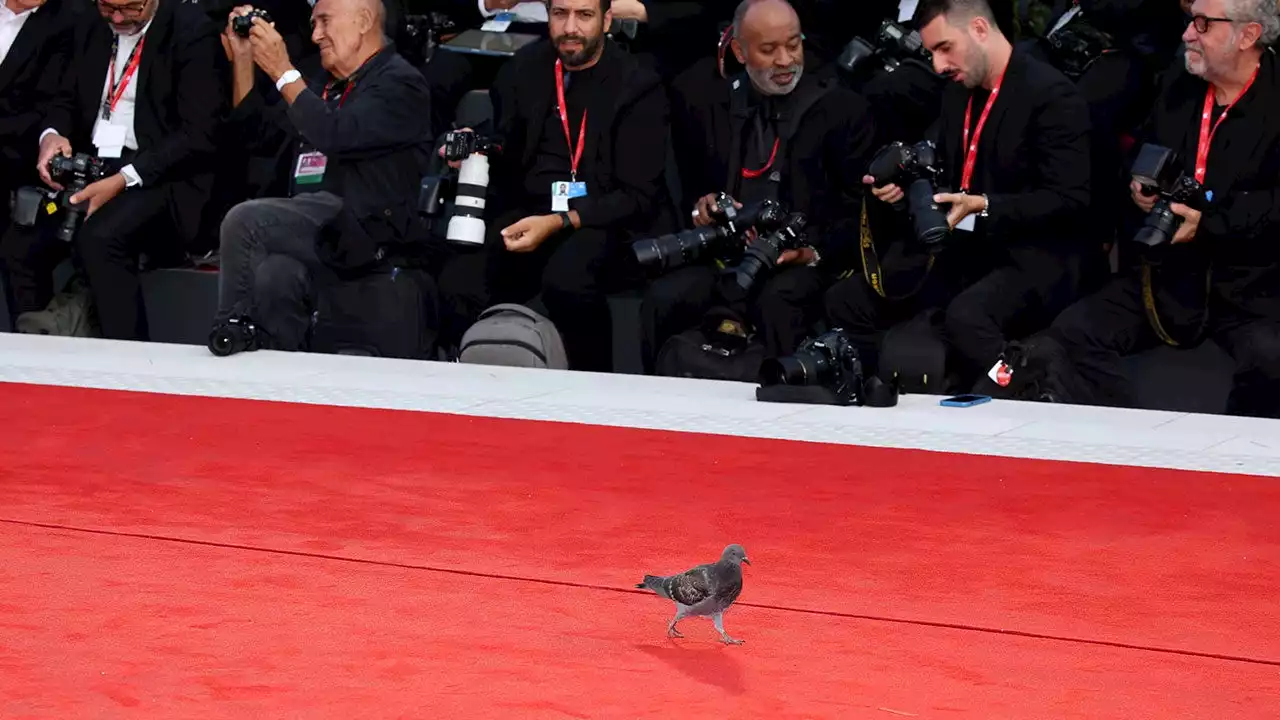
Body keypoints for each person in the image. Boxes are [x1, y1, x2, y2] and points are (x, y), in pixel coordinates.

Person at [823, 0, 1092, 393]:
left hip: (1032, 256)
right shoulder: (957, 91)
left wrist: (985, 207)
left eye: (945, 48)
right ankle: (878, 394)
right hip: (960, 245)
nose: (937, 65)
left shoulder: (1052, 96)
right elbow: (945, 172)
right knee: (847, 299)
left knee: (967, 317)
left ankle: (1029, 391)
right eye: (932, 52)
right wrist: (904, 192)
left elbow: (1070, 201)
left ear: (980, 29)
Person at [1031, 0, 1280, 418]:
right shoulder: (1178, 85)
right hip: (1167, 276)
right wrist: (1140, 184)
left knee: (1271, 360)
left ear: (1248, 35)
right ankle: (1133, 444)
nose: (1186, 35)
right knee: (1073, 334)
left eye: (1202, 24)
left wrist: (1211, 222)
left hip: (1250, 286)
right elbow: (1146, 148)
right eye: (1188, 21)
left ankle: (1235, 464)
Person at [641, 0, 876, 373]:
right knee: (664, 297)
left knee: (777, 300)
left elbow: (858, 214)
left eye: (793, 45)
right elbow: (690, 189)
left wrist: (810, 252)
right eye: (768, 50)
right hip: (727, 255)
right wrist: (702, 208)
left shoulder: (841, 109)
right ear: (739, 50)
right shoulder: (708, 102)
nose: (785, 60)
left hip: (803, 260)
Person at [437, 0, 670, 371]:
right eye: (560, 14)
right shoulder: (525, 68)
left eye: (584, 15)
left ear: (607, 20)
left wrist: (560, 221)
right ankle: (471, 384)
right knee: (460, 279)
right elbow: (507, 144)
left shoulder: (638, 84)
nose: (570, 28)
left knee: (568, 281)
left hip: (603, 219)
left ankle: (591, 387)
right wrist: (477, 143)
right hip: (530, 209)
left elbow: (638, 196)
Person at [213, 0, 437, 352]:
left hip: (370, 225)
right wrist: (244, 60)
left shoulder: (401, 83)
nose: (316, 35)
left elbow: (336, 133)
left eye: (324, 21)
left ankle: (231, 331)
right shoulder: (322, 82)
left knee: (246, 222)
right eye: (313, 24)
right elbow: (256, 135)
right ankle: (276, 375)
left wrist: (284, 72)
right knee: (275, 275)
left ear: (363, 21)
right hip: (319, 225)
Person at [0, 0, 223, 339]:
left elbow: (198, 135)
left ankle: (125, 360)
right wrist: (52, 136)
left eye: (130, 8)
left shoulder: (191, 30)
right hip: (94, 166)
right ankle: (36, 357)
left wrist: (123, 179)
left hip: (160, 174)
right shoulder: (90, 22)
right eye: (108, 6)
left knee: (101, 238)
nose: (117, 18)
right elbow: (65, 98)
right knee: (21, 243)